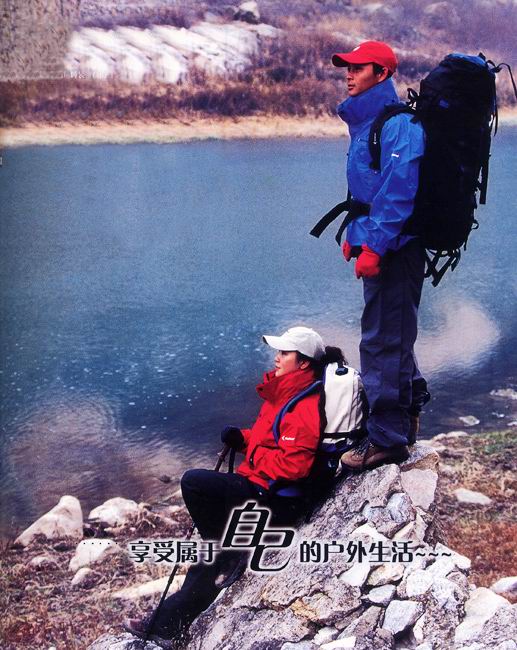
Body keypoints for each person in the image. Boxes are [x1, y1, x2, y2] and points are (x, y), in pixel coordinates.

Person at [124, 326, 345, 647]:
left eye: (285, 353)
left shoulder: (304, 404)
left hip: (278, 500)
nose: (277, 357)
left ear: (303, 363)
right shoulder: (286, 394)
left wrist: (252, 467)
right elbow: (270, 441)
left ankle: (172, 617)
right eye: (278, 351)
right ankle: (168, 623)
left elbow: (295, 465)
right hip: (265, 490)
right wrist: (242, 439)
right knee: (216, 546)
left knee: (195, 484)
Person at [329, 41, 430, 472]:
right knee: (392, 331)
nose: (349, 74)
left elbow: (397, 194)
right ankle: (406, 416)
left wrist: (374, 246)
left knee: (383, 338)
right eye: (346, 68)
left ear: (383, 73)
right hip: (385, 243)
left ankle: (387, 438)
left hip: (397, 249)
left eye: (358, 68)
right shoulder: (368, 122)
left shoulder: (399, 125)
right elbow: (368, 190)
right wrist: (355, 234)